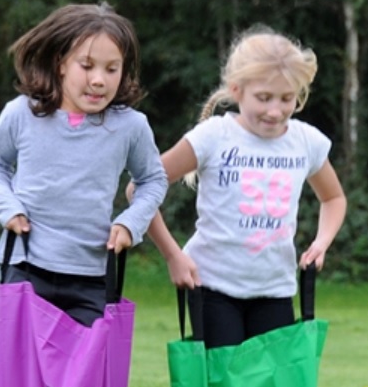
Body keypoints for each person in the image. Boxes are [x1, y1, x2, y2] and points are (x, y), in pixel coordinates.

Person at [140, 26, 347, 348]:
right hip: (213, 290)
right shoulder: (214, 136)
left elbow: (333, 197)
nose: (275, 111)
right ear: (237, 90)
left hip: (276, 291)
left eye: (286, 98)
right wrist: (173, 255)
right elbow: (141, 188)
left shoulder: (307, 142)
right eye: (263, 98)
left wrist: (322, 242)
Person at [0, 2, 168, 327]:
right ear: (60, 63)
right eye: (87, 65)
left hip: (92, 276)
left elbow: (152, 180)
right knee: (26, 374)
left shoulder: (132, 126)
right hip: (25, 265)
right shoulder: (22, 113)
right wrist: (7, 207)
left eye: (111, 69)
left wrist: (130, 224)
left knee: (84, 377)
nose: (98, 80)